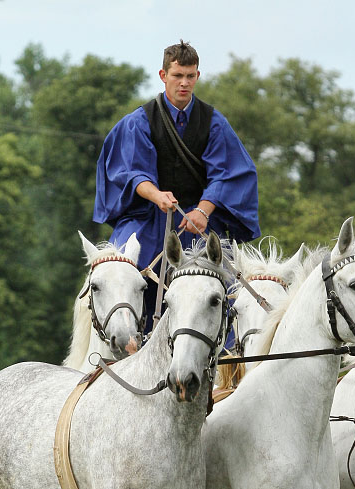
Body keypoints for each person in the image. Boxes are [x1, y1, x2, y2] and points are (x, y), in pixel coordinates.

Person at [93, 39, 260, 331]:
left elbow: (227, 174)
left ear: (197, 76)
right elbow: (131, 173)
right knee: (116, 269)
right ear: (163, 75)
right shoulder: (139, 122)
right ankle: (116, 339)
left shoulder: (215, 122)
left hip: (197, 219)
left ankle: (228, 355)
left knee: (229, 287)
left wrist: (204, 212)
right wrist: (156, 195)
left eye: (190, 76)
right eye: (177, 76)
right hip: (148, 216)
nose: (184, 83)